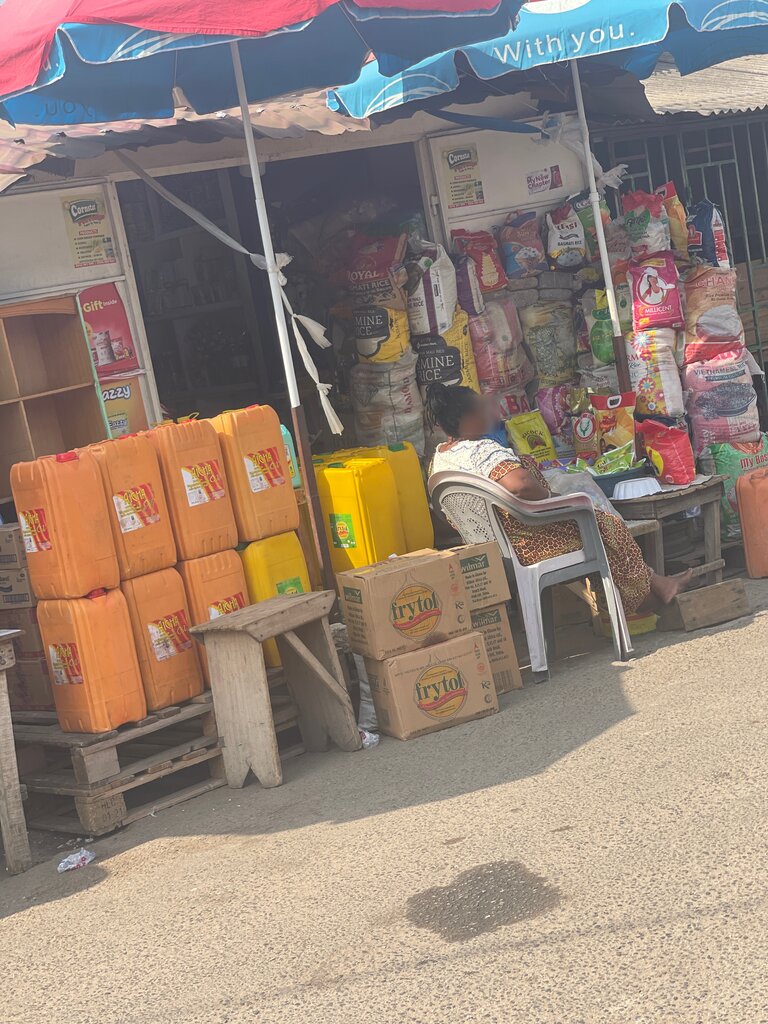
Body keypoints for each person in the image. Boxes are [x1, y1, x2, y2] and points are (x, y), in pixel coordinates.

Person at [426, 382, 692, 614]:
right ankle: (648, 601)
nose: (489, 413)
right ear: (469, 417)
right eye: (482, 408)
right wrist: (552, 498)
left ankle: (656, 587)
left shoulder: (440, 461)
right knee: (606, 525)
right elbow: (520, 485)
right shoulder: (481, 450)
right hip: (530, 544)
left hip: (495, 551)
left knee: (599, 528)